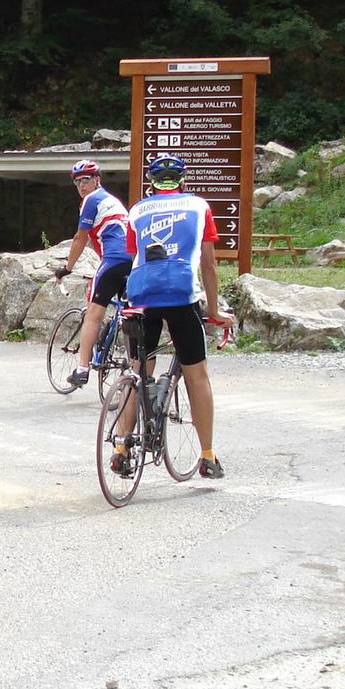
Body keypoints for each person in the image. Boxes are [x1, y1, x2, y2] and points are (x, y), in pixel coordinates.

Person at [114, 154, 233, 480]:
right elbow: (208, 265)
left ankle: (121, 447)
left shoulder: (137, 210)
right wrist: (213, 310)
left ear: (151, 183)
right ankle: (207, 456)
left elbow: (134, 255)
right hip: (181, 294)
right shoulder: (198, 206)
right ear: (183, 180)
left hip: (142, 297)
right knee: (197, 376)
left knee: (138, 370)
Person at [52, 159, 134, 386]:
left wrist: (67, 268)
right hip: (133, 262)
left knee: (93, 314)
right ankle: (134, 365)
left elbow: (80, 238)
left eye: (85, 180)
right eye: (77, 181)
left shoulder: (92, 200)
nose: (81, 185)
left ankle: (82, 369)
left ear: (97, 180)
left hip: (113, 261)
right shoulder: (113, 201)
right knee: (129, 314)